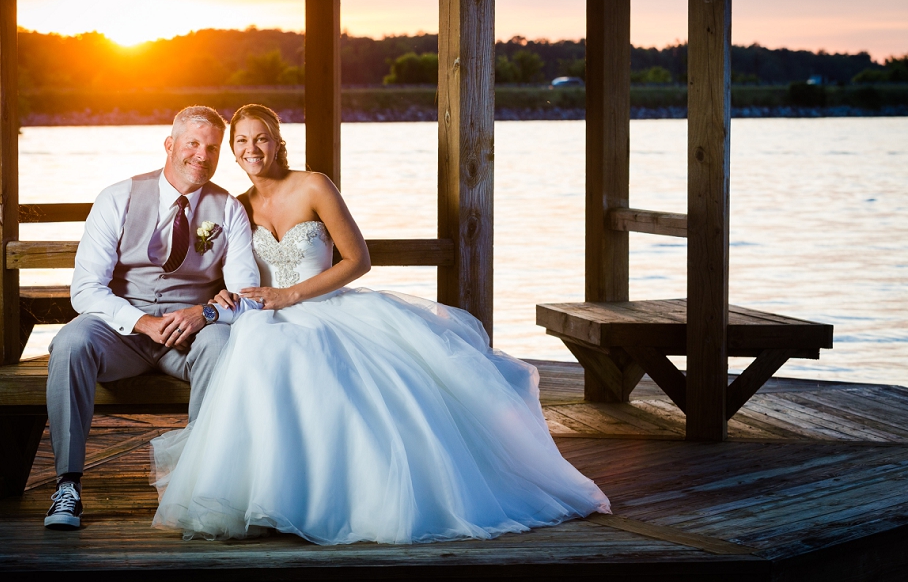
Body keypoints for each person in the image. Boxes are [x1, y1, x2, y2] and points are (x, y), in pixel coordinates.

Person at [150, 104, 610, 544]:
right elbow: (233, 273)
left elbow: (358, 260)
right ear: (232, 150)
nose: (253, 149)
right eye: (243, 141)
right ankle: (266, 497)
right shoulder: (237, 205)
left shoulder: (314, 186)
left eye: (262, 139)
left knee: (342, 372)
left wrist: (291, 294)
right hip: (267, 317)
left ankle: (337, 499)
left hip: (327, 306)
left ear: (278, 143)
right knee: (257, 352)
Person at [44, 106, 262, 530]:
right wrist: (140, 321)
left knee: (222, 344)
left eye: (213, 147)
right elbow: (86, 289)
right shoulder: (117, 197)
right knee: (71, 342)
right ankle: (67, 485)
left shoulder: (229, 209)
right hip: (121, 332)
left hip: (187, 336)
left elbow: (245, 294)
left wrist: (204, 314)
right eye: (193, 143)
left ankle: (202, 482)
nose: (202, 155)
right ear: (170, 144)